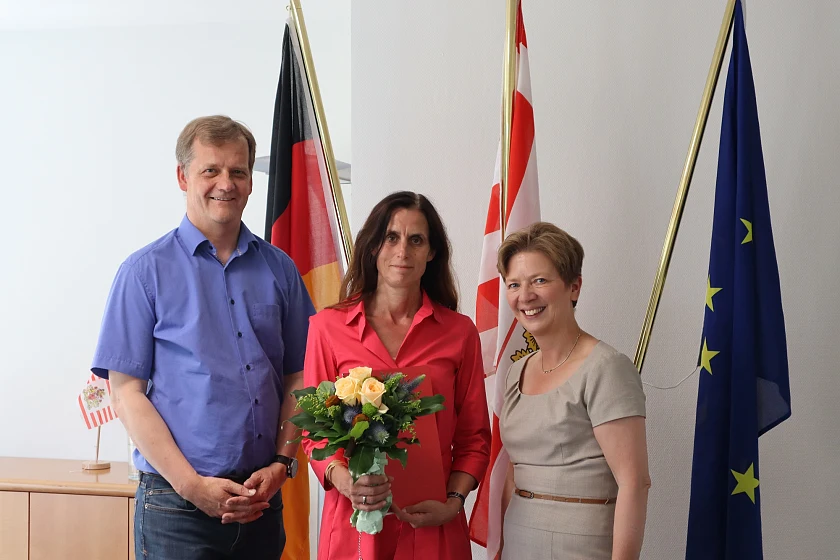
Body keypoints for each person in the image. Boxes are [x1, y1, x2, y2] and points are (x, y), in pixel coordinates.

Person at [90, 115, 315, 560]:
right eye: (211, 170)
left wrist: (282, 463)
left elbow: (301, 375)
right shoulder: (143, 273)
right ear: (183, 177)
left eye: (238, 171)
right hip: (176, 508)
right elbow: (126, 394)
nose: (225, 184)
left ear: (251, 182)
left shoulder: (281, 270)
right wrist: (192, 486)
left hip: (261, 500)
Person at [302, 191, 491, 559]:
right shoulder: (327, 328)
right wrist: (346, 482)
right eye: (391, 237)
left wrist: (454, 503)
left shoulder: (460, 333)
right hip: (355, 527)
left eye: (416, 239)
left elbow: (475, 438)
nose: (403, 251)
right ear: (373, 246)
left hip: (434, 524)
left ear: (432, 252)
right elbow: (314, 433)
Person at [497, 222, 650, 559]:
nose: (525, 296)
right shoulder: (516, 371)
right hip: (519, 538)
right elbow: (512, 473)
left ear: (574, 287)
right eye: (514, 284)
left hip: (583, 545)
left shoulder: (607, 367)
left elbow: (635, 482)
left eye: (540, 280)